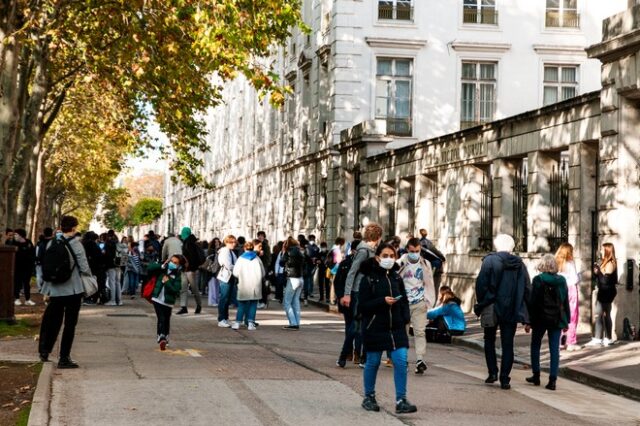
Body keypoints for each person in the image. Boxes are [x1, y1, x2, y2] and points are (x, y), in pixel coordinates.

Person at [359, 243, 417, 414]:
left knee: (400, 361)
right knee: (373, 362)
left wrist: (405, 318)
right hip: (375, 326)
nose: (389, 259)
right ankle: (369, 396)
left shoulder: (396, 277)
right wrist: (381, 301)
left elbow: (404, 300)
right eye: (385, 255)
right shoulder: (368, 278)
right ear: (377, 257)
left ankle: (401, 400)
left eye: (392, 255)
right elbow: (363, 306)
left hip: (396, 327)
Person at [474, 234, 531, 390]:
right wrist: (528, 314)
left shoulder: (489, 261)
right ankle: (505, 378)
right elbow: (527, 288)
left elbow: (481, 284)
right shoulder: (520, 264)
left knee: (489, 339)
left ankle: (492, 372)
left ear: (496, 245)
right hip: (511, 308)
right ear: (512, 247)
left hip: (491, 305)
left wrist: (482, 302)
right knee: (508, 344)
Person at [38, 216, 90, 368]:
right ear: (74, 228)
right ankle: (64, 357)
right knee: (69, 324)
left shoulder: (51, 243)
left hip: (55, 289)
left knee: (51, 322)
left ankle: (44, 351)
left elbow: (45, 264)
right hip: (73, 289)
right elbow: (84, 267)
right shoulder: (76, 244)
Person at [525, 254, 570, 391]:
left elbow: (533, 302)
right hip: (556, 319)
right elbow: (565, 302)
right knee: (554, 349)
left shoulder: (538, 280)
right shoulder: (562, 280)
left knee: (535, 346)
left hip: (540, 318)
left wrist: (529, 321)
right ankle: (552, 380)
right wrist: (566, 321)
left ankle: (536, 375)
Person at [396, 237, 436, 374]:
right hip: (403, 304)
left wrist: (428, 302)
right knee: (403, 333)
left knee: (420, 332)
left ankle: (420, 360)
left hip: (419, 302)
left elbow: (429, 283)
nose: (415, 253)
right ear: (407, 249)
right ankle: (403, 360)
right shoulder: (400, 262)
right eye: (412, 251)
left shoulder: (425, 263)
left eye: (417, 251)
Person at [149, 255, 186, 351]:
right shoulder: (163, 269)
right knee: (161, 317)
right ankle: (161, 337)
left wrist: (167, 282)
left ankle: (166, 336)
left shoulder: (178, 276)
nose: (172, 264)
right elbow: (150, 267)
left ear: (179, 266)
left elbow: (175, 290)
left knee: (166, 320)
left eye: (175, 263)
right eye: (171, 261)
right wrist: (162, 265)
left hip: (168, 302)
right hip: (157, 299)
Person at [586, 242, 618, 347]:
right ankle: (605, 338)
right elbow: (601, 279)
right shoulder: (605, 262)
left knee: (599, 314)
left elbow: (605, 280)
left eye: (602, 249)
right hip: (605, 291)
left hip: (606, 292)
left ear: (607, 251)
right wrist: (597, 272)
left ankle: (601, 338)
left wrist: (598, 272)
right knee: (602, 315)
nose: (600, 251)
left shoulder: (610, 263)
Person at [232, 241, 265, 330]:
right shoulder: (257, 259)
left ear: (244, 248)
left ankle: (238, 322)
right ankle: (251, 323)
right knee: (253, 304)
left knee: (242, 304)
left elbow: (235, 273)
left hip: (244, 285)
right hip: (255, 285)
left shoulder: (240, 259)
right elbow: (263, 273)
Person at [555, 243, 580, 351]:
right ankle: (571, 342)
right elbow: (574, 279)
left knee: (560, 316)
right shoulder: (570, 263)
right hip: (571, 290)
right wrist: (580, 276)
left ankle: (560, 341)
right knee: (572, 316)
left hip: (559, 290)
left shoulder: (556, 262)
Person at [177, 227, 203, 315]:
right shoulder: (191, 242)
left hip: (189, 269)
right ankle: (186, 306)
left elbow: (191, 257)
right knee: (188, 288)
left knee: (190, 288)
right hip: (188, 269)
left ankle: (186, 307)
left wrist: (188, 265)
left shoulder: (188, 243)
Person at [281, 237, 305, 330]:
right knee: (295, 301)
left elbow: (281, 263)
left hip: (292, 278)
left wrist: (283, 252)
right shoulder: (300, 252)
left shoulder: (288, 252)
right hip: (300, 278)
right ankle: (297, 322)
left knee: (286, 302)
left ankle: (293, 323)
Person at [10, 229, 36, 306]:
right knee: (17, 283)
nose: (15, 236)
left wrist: (32, 264)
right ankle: (17, 299)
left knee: (26, 284)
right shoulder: (13, 243)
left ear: (21, 235)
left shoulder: (28, 242)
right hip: (17, 267)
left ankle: (28, 299)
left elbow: (33, 253)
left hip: (27, 268)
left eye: (16, 235)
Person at [216, 235, 238, 327]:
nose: (233, 244)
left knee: (227, 299)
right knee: (224, 298)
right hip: (225, 276)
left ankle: (225, 318)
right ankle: (221, 319)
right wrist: (237, 268)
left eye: (234, 242)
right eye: (231, 242)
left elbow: (235, 262)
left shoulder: (231, 252)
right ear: (226, 242)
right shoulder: (224, 251)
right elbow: (228, 265)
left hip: (231, 276)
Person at [418, 229, 446, 293]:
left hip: (431, 264)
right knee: (430, 281)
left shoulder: (422, 243)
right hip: (432, 264)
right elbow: (436, 251)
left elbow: (434, 252)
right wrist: (443, 258)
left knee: (429, 281)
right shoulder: (427, 242)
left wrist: (442, 258)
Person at [104, 231, 122, 306]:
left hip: (111, 264)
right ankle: (119, 300)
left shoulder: (108, 243)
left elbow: (107, 255)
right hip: (118, 264)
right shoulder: (118, 242)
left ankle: (113, 300)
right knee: (117, 282)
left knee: (112, 282)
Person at [35, 227, 54, 291]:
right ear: (52, 233)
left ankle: (43, 289)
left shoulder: (41, 244)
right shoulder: (55, 243)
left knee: (43, 277)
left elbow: (40, 255)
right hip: (53, 264)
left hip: (44, 264)